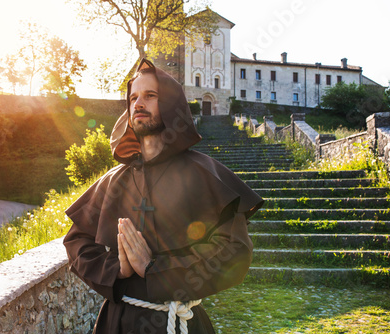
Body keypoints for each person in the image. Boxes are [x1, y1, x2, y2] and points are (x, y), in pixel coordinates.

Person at [63, 58, 264, 334]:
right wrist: (117, 270)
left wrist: (154, 269)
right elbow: (76, 242)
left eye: (150, 96)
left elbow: (235, 252)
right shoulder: (113, 181)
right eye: (133, 97)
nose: (138, 104)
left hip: (180, 322)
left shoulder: (202, 173)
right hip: (119, 322)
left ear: (171, 104)